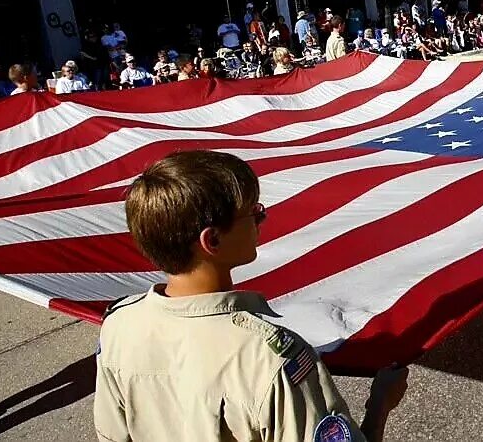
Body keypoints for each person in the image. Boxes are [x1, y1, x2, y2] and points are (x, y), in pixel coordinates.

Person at [93, 151, 408, 442]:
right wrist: (380, 404)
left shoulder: (119, 327)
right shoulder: (270, 358)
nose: (262, 219)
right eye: (253, 213)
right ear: (212, 239)